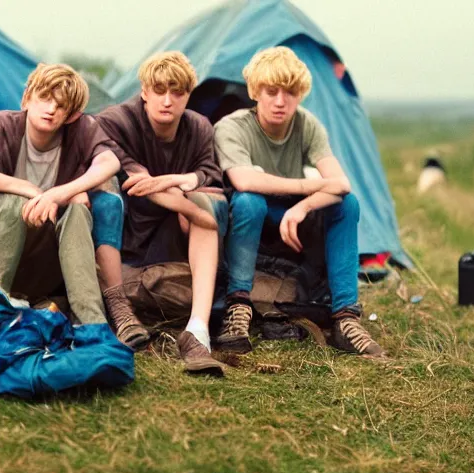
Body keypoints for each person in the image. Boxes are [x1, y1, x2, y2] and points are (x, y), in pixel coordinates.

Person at [214, 47, 386, 357]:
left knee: (348, 206)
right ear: (255, 92)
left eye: (290, 92)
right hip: (248, 220)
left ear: (300, 94)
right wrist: (308, 187)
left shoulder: (307, 124)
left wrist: (302, 206)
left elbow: (342, 184)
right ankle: (237, 307)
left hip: (289, 219)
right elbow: (244, 180)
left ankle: (346, 317)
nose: (281, 101)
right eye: (272, 91)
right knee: (250, 201)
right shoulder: (233, 127)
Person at [93, 51, 228, 376]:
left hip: (173, 236)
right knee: (106, 196)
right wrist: (181, 201)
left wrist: (179, 183)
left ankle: (197, 331)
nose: (167, 100)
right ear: (144, 91)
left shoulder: (198, 127)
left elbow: (209, 173)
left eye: (177, 92)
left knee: (208, 201)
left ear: (188, 95)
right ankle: (110, 311)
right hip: (125, 231)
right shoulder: (116, 120)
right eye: (159, 90)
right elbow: (132, 179)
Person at [0, 63, 120, 327]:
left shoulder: (80, 131)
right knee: (14, 199)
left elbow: (110, 162)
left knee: (79, 209)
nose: (51, 109)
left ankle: (90, 322)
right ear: (26, 99)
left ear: (71, 116)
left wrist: (61, 194)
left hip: (48, 264)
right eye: (44, 98)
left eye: (61, 105)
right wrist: (33, 191)